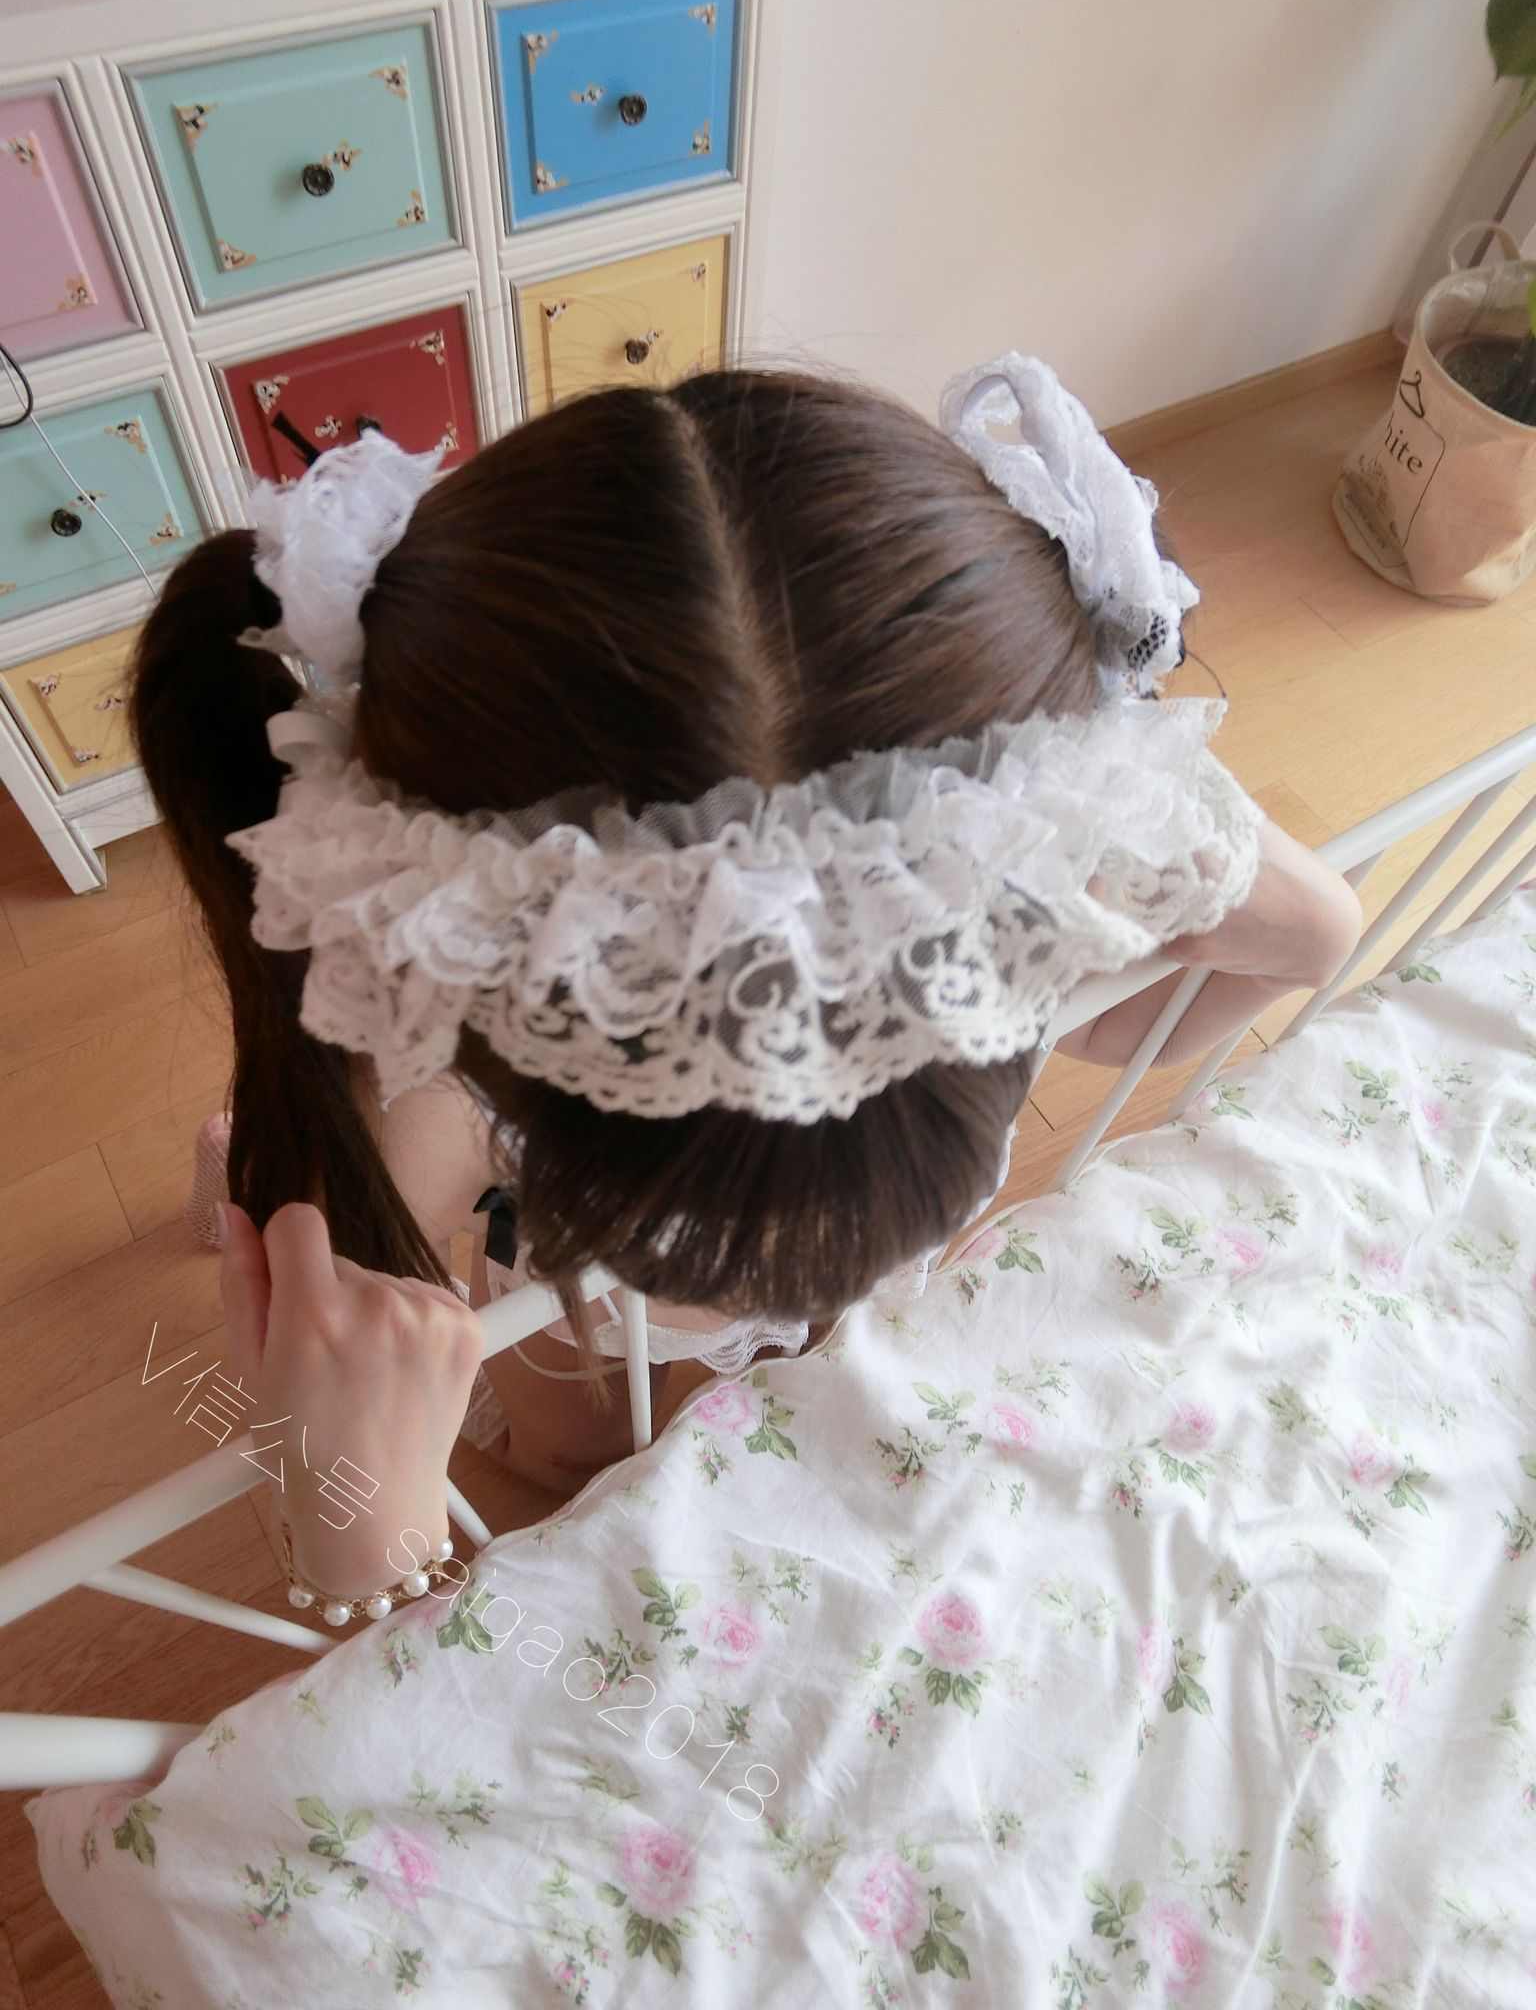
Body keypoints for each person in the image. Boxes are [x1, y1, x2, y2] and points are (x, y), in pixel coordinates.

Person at [131, 354, 1361, 1626]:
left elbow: (1264, 951)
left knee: (801, 1369)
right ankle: (228, 1168)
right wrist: (363, 1544)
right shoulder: (428, 1096)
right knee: (566, 1453)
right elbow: (339, 1364)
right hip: (588, 1359)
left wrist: (1216, 913)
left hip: (783, 1325)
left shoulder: (1041, 865)